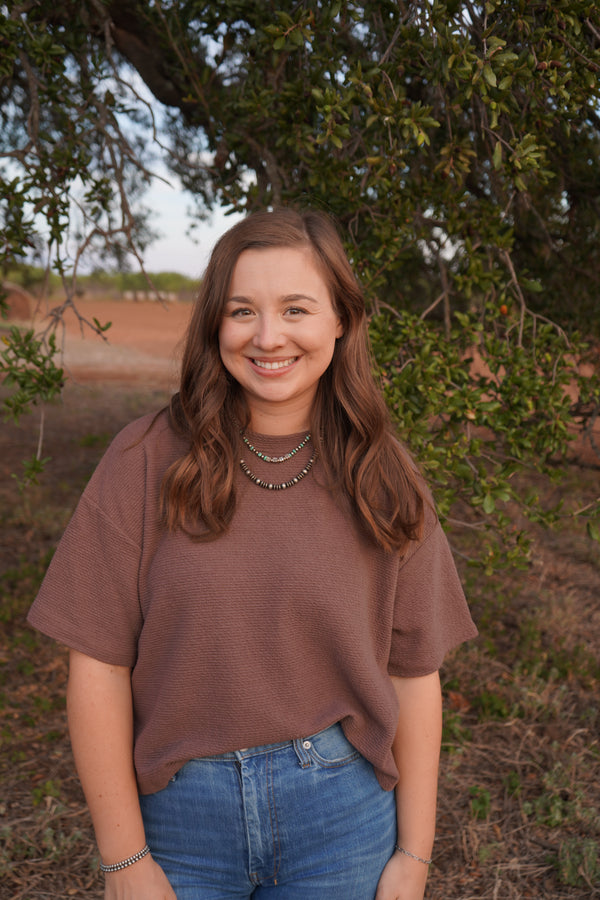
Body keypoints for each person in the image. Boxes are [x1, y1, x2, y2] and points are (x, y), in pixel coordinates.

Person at [28, 207, 477, 900]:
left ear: (341, 321)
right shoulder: (144, 460)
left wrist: (413, 857)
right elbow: (96, 666)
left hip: (341, 819)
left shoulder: (385, 479)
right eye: (242, 310)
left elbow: (414, 678)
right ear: (216, 323)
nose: (268, 337)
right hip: (181, 819)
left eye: (296, 308)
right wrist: (123, 862)